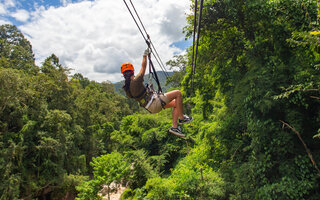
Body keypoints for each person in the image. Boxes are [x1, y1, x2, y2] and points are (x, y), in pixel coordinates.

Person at [121, 47, 192, 137]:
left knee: (175, 104)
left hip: (150, 107)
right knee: (178, 93)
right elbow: (143, 67)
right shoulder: (136, 80)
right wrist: (144, 55)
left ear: (123, 74)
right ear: (132, 71)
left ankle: (175, 127)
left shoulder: (127, 88)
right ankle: (182, 118)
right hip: (154, 102)